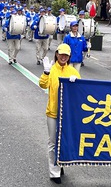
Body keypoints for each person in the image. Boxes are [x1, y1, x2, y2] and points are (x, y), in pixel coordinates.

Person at [39, 44, 81, 184]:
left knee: (64, 140)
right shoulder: (51, 70)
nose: (63, 57)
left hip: (67, 114)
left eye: (66, 55)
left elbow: (80, 93)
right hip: (53, 112)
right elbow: (42, 85)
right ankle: (54, 172)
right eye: (61, 54)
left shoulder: (73, 72)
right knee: (52, 142)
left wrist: (76, 84)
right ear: (56, 54)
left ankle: (60, 163)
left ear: (69, 57)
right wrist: (46, 72)